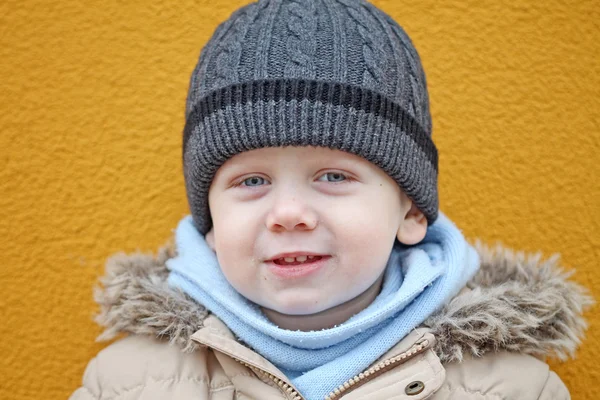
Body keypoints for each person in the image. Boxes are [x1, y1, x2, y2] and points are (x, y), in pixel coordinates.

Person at [69, 0, 593, 399]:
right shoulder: (126, 382)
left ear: (410, 211)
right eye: (251, 182)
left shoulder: (513, 387)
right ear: (209, 224)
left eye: (333, 175)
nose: (289, 214)